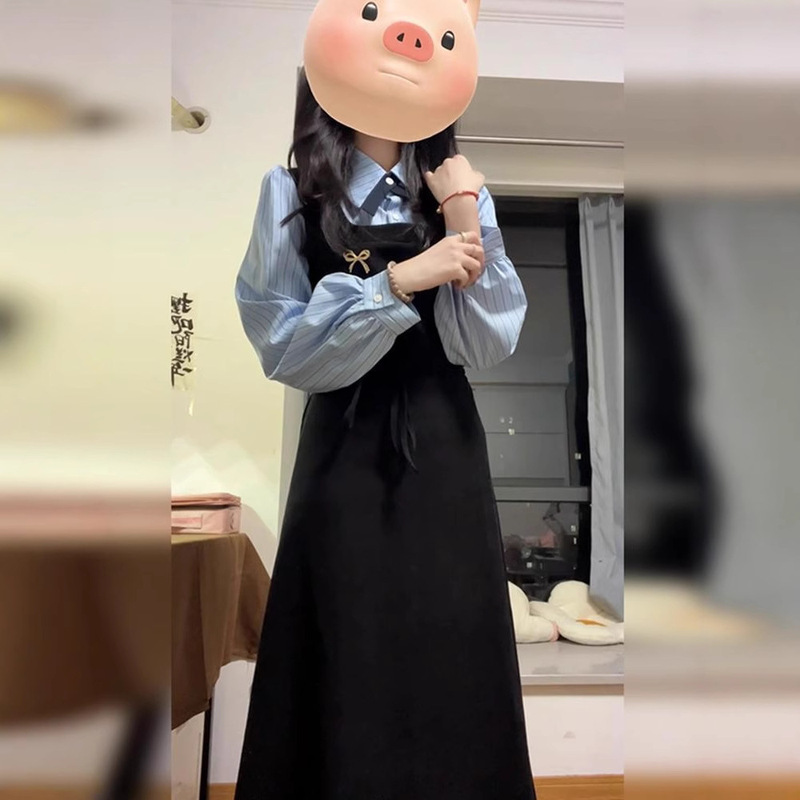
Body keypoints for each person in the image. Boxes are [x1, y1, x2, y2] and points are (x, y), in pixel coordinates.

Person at [234, 2, 535, 798]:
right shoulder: (290, 191)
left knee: (453, 637)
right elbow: (286, 349)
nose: (407, 39)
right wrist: (398, 281)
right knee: (344, 634)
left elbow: (486, 343)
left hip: (445, 448)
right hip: (343, 450)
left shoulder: (463, 195)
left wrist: (461, 212)